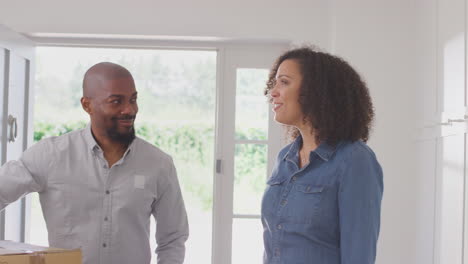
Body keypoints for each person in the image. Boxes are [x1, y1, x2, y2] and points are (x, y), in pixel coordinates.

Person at [0, 62, 189, 264]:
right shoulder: (50, 155)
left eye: (133, 99)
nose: (129, 109)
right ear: (87, 105)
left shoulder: (158, 164)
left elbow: (173, 239)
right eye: (116, 101)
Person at [261, 47, 383, 264]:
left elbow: (359, 253)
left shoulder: (354, 160)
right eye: (275, 82)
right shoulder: (285, 158)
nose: (274, 92)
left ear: (315, 91)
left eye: (285, 82)